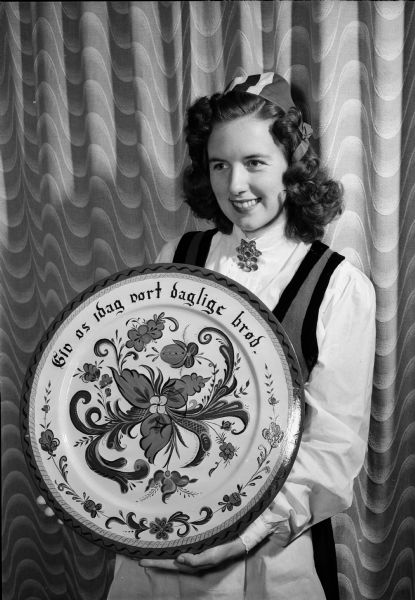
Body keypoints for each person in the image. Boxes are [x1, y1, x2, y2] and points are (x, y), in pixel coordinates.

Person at [39, 72, 376, 600]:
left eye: (255, 162)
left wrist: (236, 533)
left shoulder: (339, 286)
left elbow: (333, 452)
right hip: (155, 554)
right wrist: (77, 482)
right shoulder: (179, 254)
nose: (235, 185)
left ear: (294, 165)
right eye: (220, 164)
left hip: (268, 563)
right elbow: (122, 387)